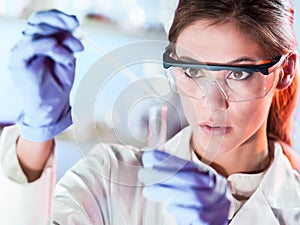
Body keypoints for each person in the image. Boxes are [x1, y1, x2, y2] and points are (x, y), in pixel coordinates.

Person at [0, 0, 299, 224]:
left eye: (237, 74)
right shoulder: (108, 177)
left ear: (284, 71)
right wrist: (35, 134)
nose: (211, 102)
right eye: (193, 70)